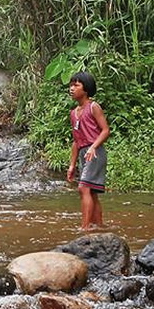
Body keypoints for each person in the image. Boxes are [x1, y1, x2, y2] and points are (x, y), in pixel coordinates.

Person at [66, 71, 110, 230]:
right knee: (91, 192)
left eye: (76, 85)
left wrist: (93, 147)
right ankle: (98, 226)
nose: (72, 88)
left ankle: (84, 228)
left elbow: (105, 130)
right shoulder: (73, 113)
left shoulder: (93, 107)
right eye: (71, 85)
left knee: (83, 188)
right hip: (84, 153)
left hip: (95, 152)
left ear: (86, 89)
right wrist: (72, 165)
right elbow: (76, 141)